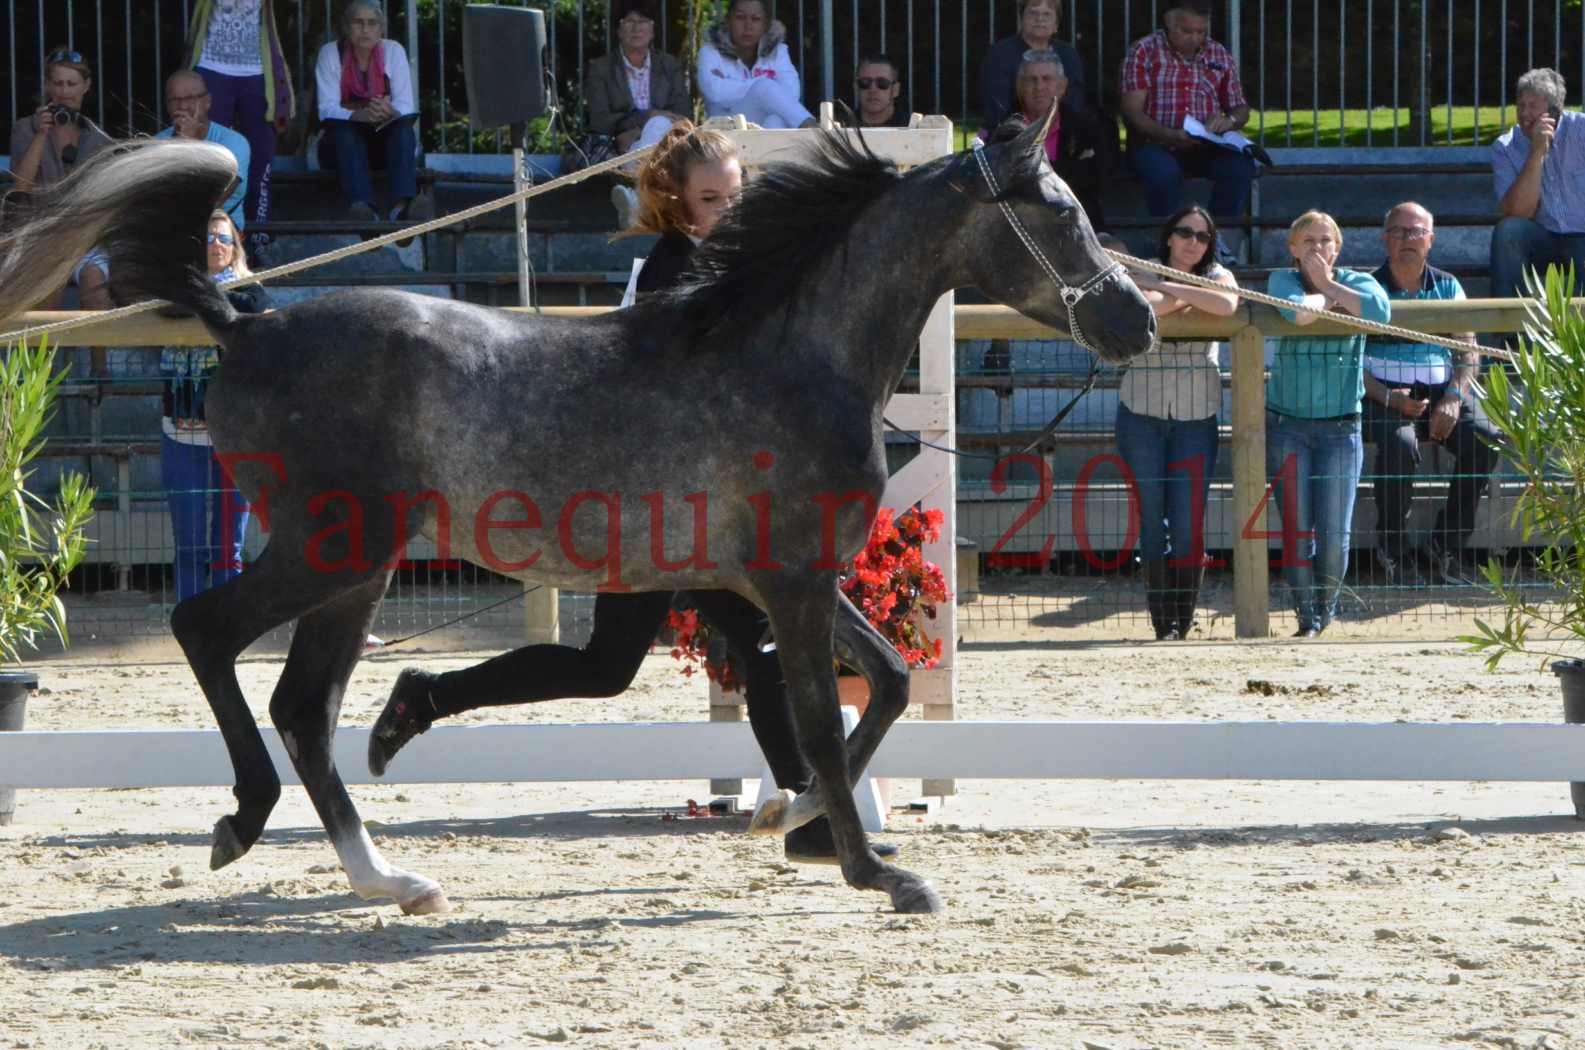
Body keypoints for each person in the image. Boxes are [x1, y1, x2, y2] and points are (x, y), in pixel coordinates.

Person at [371, 124, 895, 866]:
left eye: (735, 195)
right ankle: (426, 696)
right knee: (632, 665)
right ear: (678, 202)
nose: (726, 209)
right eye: (710, 198)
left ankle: (808, 816)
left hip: (710, 510)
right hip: (655, 509)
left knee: (708, 653)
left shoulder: (743, 263)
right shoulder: (668, 274)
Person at [1114, 208, 1239, 640]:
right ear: (1168, 236)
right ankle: (1161, 621)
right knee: (1152, 521)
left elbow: (1226, 303)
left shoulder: (1217, 273)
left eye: (1202, 237)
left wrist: (1166, 288)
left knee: (1188, 524)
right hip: (1140, 414)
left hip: (1195, 418)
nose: (1193, 242)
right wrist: (1185, 293)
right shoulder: (1142, 274)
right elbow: (1146, 309)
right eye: (1184, 232)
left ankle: (1183, 621)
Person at [1265, 211, 1392, 638]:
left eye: (1325, 241)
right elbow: (1297, 315)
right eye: (1309, 241)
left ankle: (1327, 609)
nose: (1318, 248)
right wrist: (1328, 301)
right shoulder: (1281, 279)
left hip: (1342, 428)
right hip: (1289, 427)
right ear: (1293, 249)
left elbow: (1378, 312)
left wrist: (1328, 288)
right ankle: (1307, 617)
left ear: (1338, 248)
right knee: (1297, 530)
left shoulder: (1360, 281)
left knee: (1336, 532)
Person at [1364, 202, 1499, 586]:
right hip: (1380, 395)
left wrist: (1454, 397)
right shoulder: (1366, 288)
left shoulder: (1448, 285)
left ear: (1432, 240)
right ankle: (1392, 549)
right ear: (1384, 239)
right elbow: (1352, 362)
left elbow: (1468, 351)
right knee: (1401, 444)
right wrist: (1389, 399)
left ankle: (1446, 545)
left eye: (1417, 231)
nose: (1408, 239)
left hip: (1441, 391)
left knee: (1487, 439)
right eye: (1399, 232)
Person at [158, 210, 267, 603]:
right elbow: (168, 308)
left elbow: (253, 304)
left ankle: (225, 623)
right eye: (208, 239)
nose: (217, 246)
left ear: (235, 246)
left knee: (228, 546)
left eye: (223, 239)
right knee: (188, 545)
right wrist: (203, 296)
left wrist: (203, 296)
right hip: (181, 432)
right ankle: (190, 619)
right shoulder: (174, 289)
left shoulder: (251, 288)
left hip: (234, 435)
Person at [8, 45, 116, 370]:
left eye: (71, 85)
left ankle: (101, 377)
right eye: (57, 84)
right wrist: (42, 135)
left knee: (96, 288)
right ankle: (40, 378)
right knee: (48, 292)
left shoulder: (98, 140)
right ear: (47, 87)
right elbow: (21, 187)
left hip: (84, 238)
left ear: (86, 87)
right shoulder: (25, 128)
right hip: (42, 235)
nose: (64, 92)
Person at [1120, 2, 1255, 229]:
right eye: (1186, 31)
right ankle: (1170, 240)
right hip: (1155, 142)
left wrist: (1228, 121)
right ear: (1169, 25)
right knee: (1163, 175)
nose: (1194, 38)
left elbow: (1240, 108)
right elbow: (1132, 111)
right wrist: (1169, 134)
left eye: (1201, 31)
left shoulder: (1218, 53)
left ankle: (1217, 237)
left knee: (1240, 167)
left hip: (1207, 144)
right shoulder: (1144, 50)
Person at [183, 0, 295, 254]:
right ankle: (206, 234)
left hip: (258, 71)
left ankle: (258, 236)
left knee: (261, 155)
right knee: (209, 158)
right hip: (211, 67)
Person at [314, 0, 431, 225]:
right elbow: (326, 109)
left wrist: (388, 111)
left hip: (381, 147)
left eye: (372, 23)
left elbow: (406, 104)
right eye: (358, 22)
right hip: (338, 150)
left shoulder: (394, 51)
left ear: (381, 28)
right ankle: (365, 213)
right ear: (347, 27)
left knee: (403, 129)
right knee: (345, 132)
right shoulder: (330, 53)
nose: (365, 29)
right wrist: (360, 115)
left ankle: (402, 210)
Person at [587, 0, 690, 228]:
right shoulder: (601, 68)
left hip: (664, 143)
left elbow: (683, 116)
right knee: (657, 121)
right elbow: (599, 120)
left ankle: (636, 201)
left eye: (643, 21)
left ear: (653, 29)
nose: (636, 28)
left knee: (659, 123)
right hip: (619, 146)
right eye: (629, 22)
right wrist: (646, 118)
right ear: (618, 29)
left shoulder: (669, 66)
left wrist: (642, 126)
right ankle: (643, 202)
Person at [979, 51, 1111, 229]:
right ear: (1019, 87)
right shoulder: (1001, 132)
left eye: (1047, 79)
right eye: (1031, 80)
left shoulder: (1086, 129)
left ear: (1062, 86)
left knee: (1117, 248)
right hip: (1021, 229)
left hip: (1079, 224)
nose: (1039, 87)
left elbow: (1094, 181)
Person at [1490, 67, 1585, 301]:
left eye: (1533, 106)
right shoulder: (1505, 147)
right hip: (1543, 238)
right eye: (1521, 105)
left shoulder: (1581, 130)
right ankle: (1510, 334)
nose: (1524, 113)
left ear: (1555, 110)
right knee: (1507, 231)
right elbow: (1519, 213)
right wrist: (1537, 152)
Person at [697, 0, 817, 129]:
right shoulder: (710, 52)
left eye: (756, 19)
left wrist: (734, 85)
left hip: (763, 124)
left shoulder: (778, 51)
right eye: (740, 17)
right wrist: (764, 89)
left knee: (775, 120)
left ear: (765, 25)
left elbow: (791, 93)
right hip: (726, 127)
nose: (748, 25)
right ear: (728, 21)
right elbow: (716, 93)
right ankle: (814, 130)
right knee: (765, 88)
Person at [154, 70, 250, 231]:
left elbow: (212, 201)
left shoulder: (233, 142)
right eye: (175, 100)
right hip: (169, 230)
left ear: (208, 102)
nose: (183, 106)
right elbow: (157, 198)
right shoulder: (156, 143)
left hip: (220, 234)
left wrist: (189, 145)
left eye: (191, 98)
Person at [980, 0, 1086, 131]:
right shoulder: (999, 55)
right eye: (1033, 13)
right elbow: (997, 107)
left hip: (1062, 133)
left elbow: (1074, 102)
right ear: (1022, 19)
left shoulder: (1069, 55)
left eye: (1047, 14)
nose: (1040, 19)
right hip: (1012, 135)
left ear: (1056, 24)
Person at [853, 54, 909, 129]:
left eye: (882, 83)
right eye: (865, 82)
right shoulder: (839, 128)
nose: (873, 90)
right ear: (856, 88)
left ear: (896, 90)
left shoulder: (914, 129)